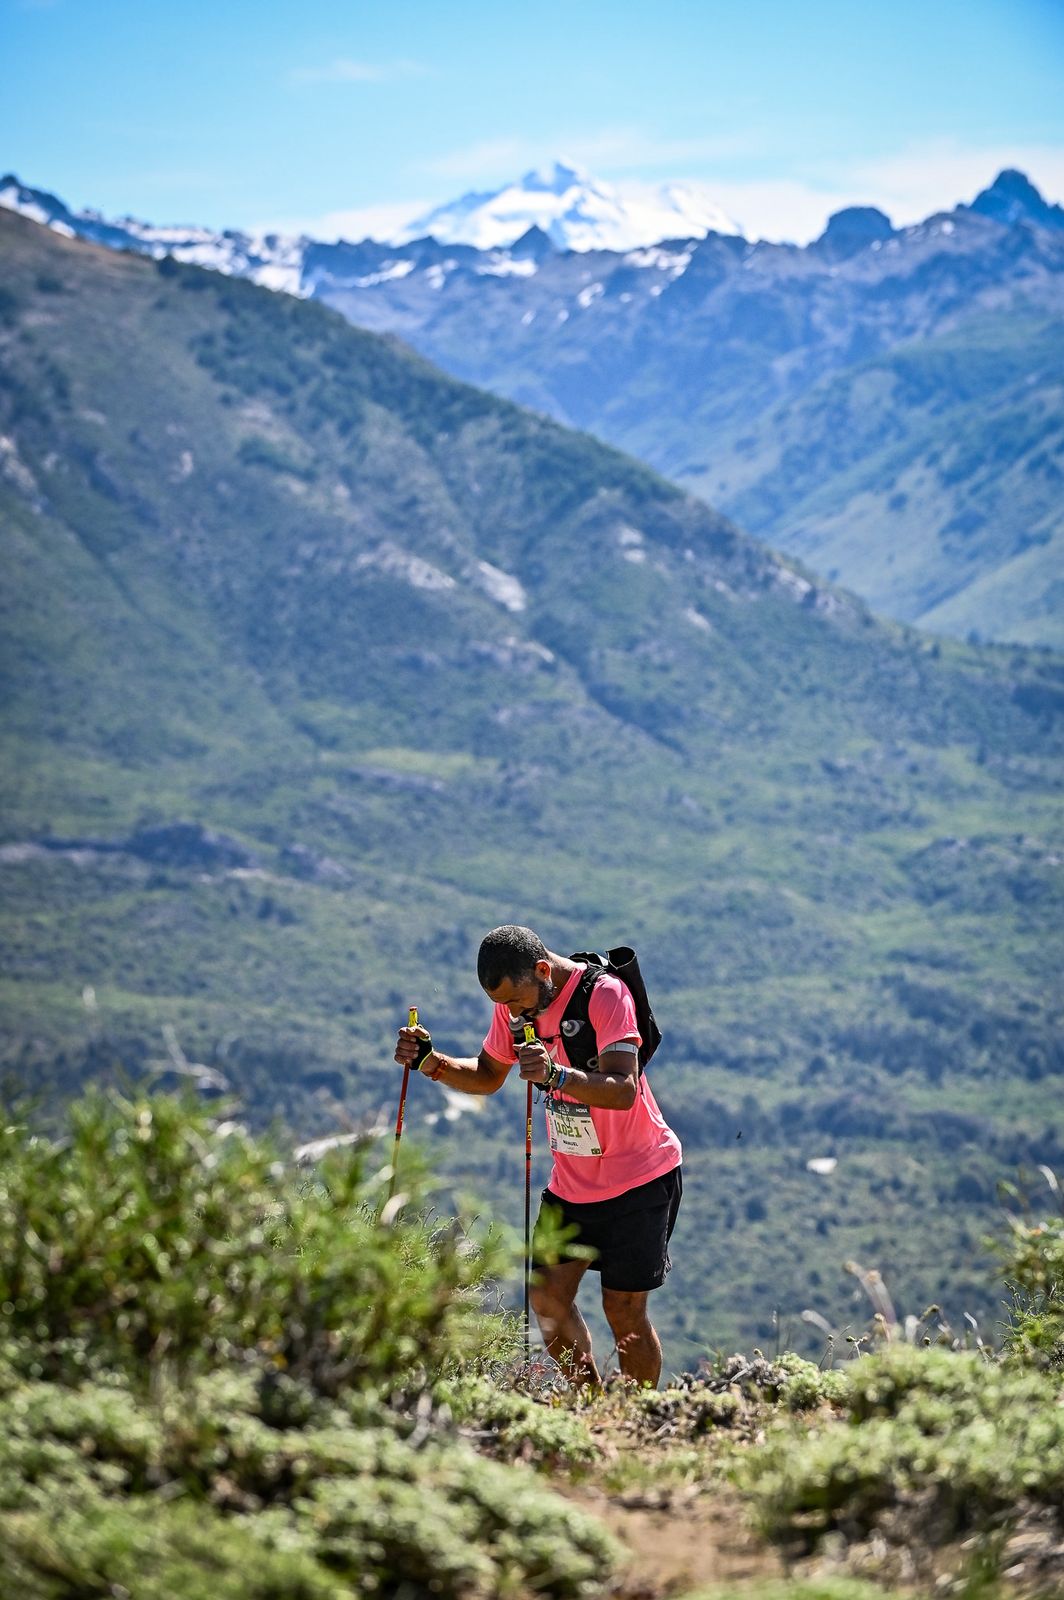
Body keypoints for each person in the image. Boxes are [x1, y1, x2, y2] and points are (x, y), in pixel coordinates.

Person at [393, 924, 682, 1387]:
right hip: (573, 1183)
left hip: (640, 1177)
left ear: (543, 970)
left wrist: (557, 1077)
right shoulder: (515, 1006)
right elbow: (488, 1076)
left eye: (515, 1001)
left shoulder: (605, 996)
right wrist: (431, 1061)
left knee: (623, 1311)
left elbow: (624, 1090)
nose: (510, 1012)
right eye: (501, 1004)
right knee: (547, 1301)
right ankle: (591, 1406)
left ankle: (641, 1415)